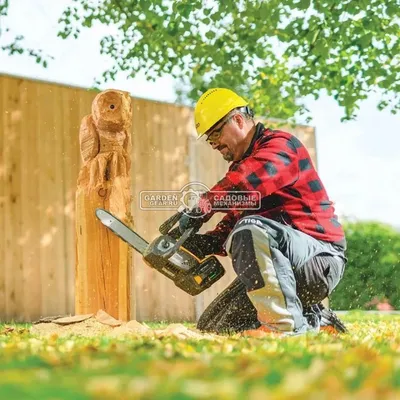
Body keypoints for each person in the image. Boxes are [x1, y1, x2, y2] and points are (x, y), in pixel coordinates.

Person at [179, 88, 348, 336]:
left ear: (237, 119)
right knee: (216, 326)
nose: (213, 143)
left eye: (215, 133)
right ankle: (317, 321)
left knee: (250, 229)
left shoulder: (281, 146)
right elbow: (235, 221)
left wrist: (200, 210)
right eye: (209, 138)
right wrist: (205, 243)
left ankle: (283, 328)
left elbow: (245, 185)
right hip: (283, 262)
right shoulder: (244, 166)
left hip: (318, 259)